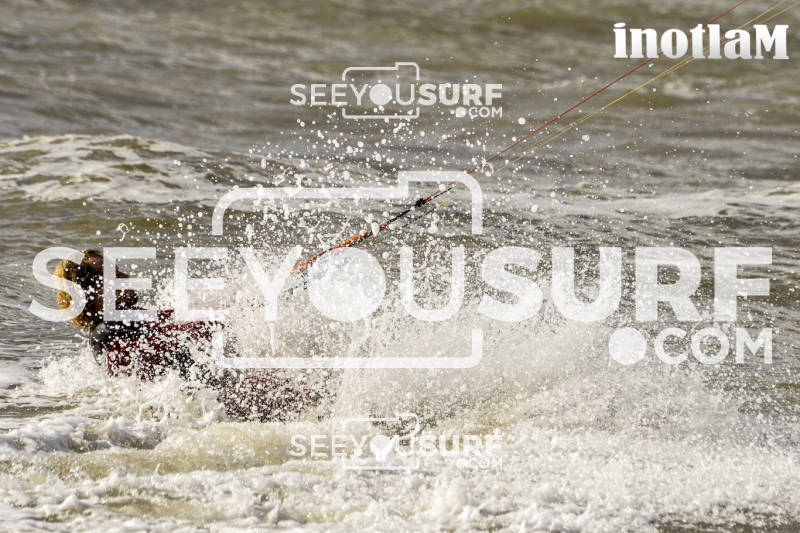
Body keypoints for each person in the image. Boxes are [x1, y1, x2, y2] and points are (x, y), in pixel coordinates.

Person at [54, 249, 327, 421]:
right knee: (317, 397)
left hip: (212, 392)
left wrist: (251, 299)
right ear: (94, 296)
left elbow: (175, 317)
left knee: (316, 392)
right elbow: (178, 334)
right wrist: (227, 318)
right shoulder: (108, 335)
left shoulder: (125, 317)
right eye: (115, 276)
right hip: (207, 406)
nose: (127, 277)